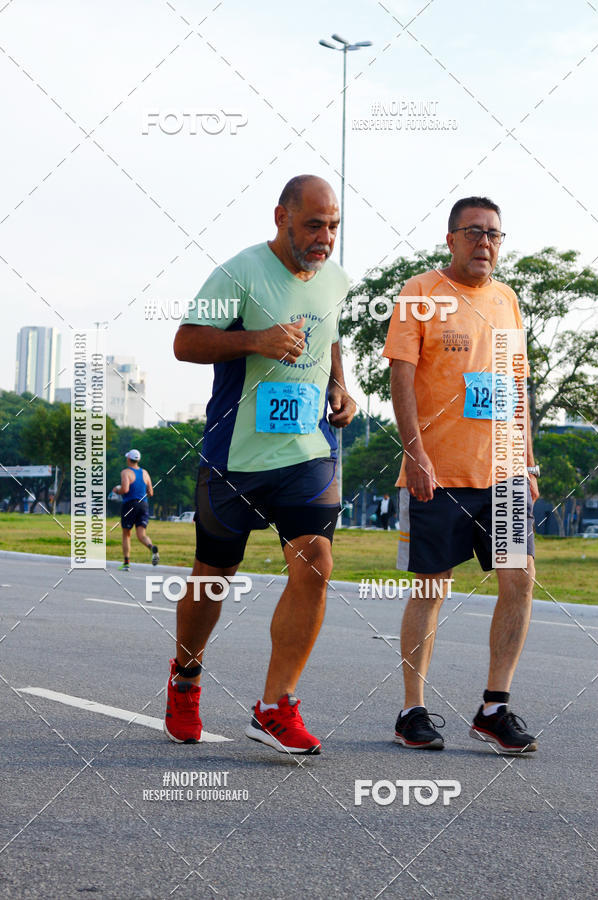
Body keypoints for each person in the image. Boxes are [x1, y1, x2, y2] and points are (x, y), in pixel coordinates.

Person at [165, 174, 356, 754]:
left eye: (333, 226)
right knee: (213, 575)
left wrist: (341, 387)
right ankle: (186, 677)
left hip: (307, 451)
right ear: (282, 217)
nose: (325, 238)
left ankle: (275, 705)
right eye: (314, 225)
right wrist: (255, 340)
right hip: (236, 456)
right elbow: (186, 342)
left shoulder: (336, 281)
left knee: (316, 562)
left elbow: (328, 338)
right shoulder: (239, 273)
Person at [383, 196, 540, 754]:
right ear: (450, 239)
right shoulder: (420, 293)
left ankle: (494, 707)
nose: (485, 243)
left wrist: (524, 457)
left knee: (519, 581)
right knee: (431, 587)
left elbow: (516, 385)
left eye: (495, 234)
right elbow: (401, 376)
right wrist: (415, 453)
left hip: (502, 472)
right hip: (439, 473)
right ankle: (412, 709)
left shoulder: (507, 301)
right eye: (474, 232)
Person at [113, 449, 159, 571]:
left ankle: (126, 563)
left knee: (126, 534)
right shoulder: (145, 473)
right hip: (143, 504)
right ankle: (152, 547)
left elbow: (125, 489)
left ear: (128, 459)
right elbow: (151, 492)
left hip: (130, 504)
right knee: (141, 534)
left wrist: (116, 490)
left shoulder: (126, 472)